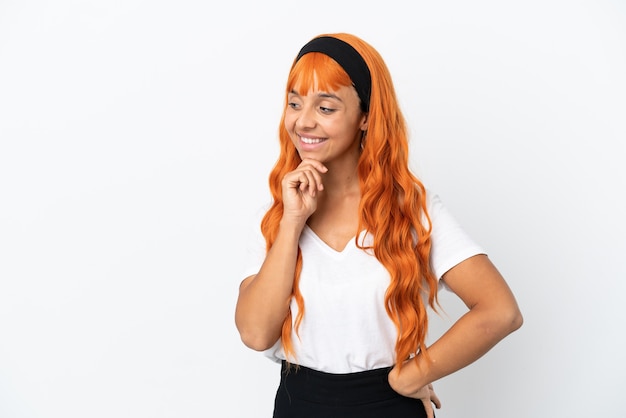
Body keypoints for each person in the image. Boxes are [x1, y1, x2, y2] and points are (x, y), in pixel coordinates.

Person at [235, 33, 523, 418]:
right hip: (299, 406)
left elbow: (500, 310)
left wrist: (411, 376)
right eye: (294, 103)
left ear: (366, 116)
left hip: (388, 405)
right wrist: (292, 222)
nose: (304, 120)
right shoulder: (278, 215)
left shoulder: (414, 212)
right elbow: (255, 334)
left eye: (326, 107)